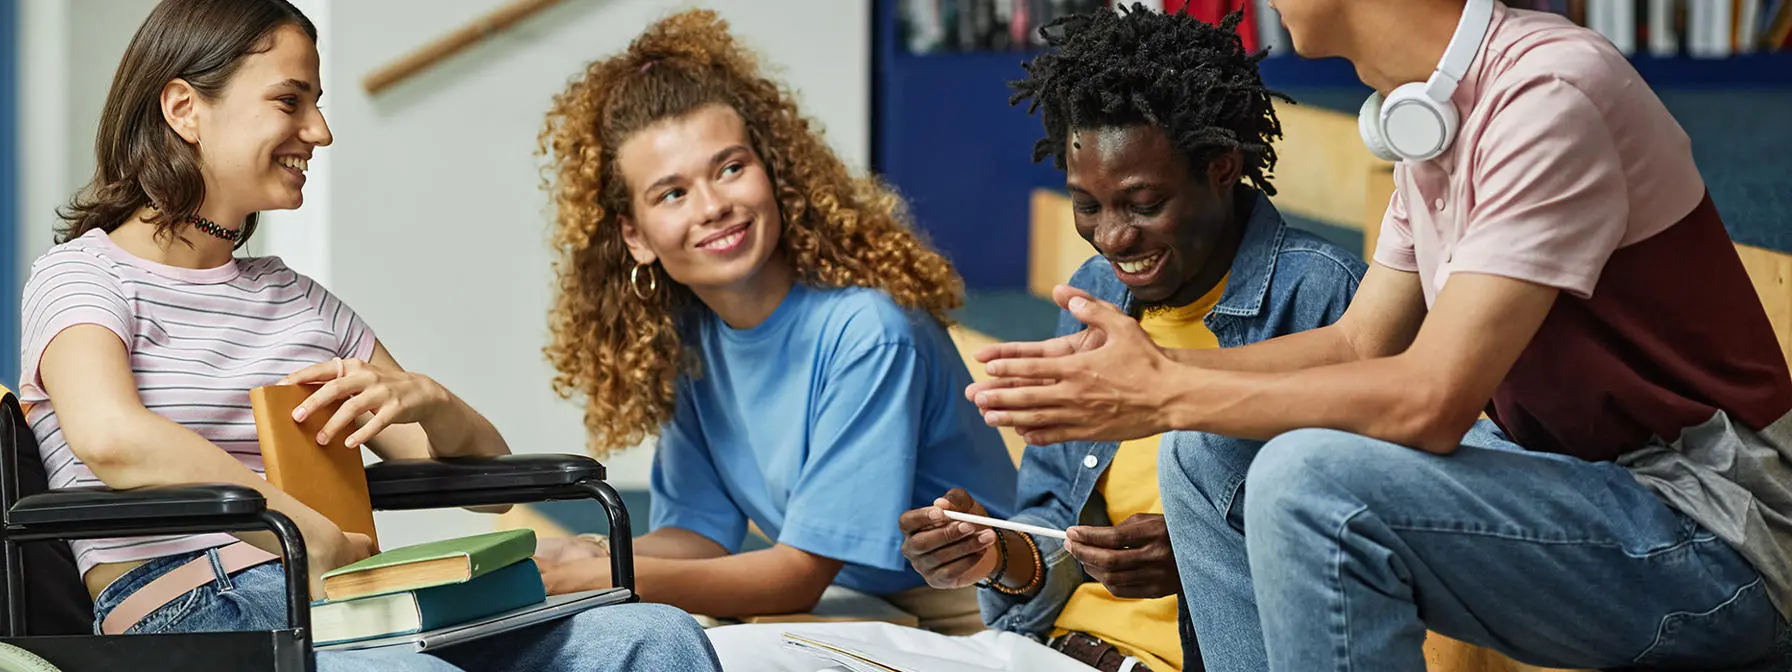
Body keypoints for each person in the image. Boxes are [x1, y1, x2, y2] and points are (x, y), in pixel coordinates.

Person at [966, 0, 1792, 669]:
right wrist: (1153, 373)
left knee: (1307, 474)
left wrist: (1165, 389)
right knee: (1202, 447)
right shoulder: (1430, 116)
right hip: (1587, 497)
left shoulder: (1548, 95)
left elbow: (1431, 399)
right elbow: (1361, 343)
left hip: (1719, 537)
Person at [19, 1, 720, 670]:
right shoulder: (84, 278)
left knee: (654, 639)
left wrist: (430, 400)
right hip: (190, 608)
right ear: (184, 109)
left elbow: (484, 487)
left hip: (344, 601)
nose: (319, 130)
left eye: (316, 103)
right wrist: (302, 529)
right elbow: (113, 437)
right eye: (290, 101)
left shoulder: (301, 303)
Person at [702, 7, 1364, 671]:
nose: (1112, 237)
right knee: (716, 654)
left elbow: (1377, 542)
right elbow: (1053, 524)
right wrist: (994, 554)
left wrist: (1207, 553)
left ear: (1220, 167)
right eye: (1088, 204)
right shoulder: (1096, 294)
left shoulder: (1326, 303)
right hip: (1035, 651)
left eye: (1143, 203)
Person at [530, 9, 1018, 632]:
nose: (713, 207)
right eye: (671, 193)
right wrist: (584, 555)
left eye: (731, 167)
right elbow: (697, 535)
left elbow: (796, 578)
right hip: (859, 602)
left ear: (773, 172)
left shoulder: (869, 330)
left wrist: (613, 574)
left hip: (973, 609)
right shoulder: (691, 339)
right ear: (635, 235)